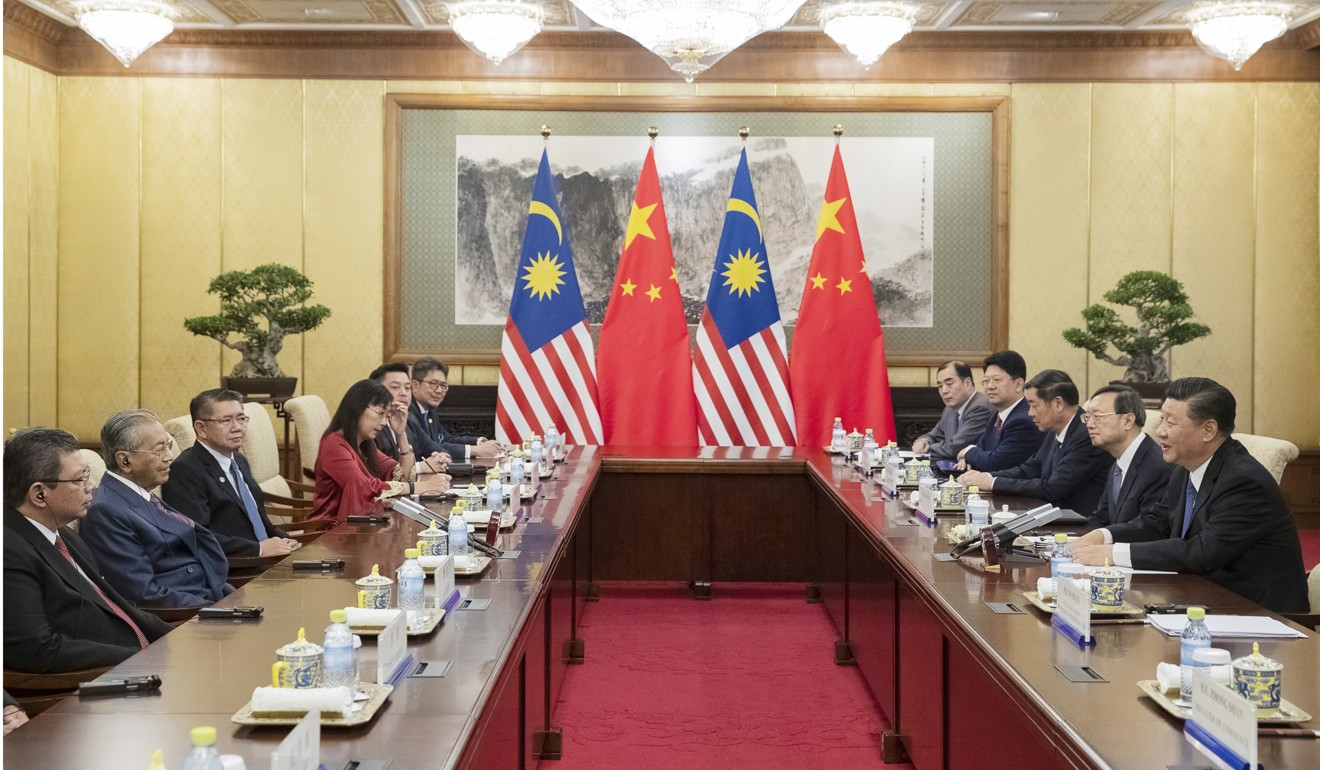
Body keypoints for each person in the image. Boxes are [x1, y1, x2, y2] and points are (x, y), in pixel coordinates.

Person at [1072, 377, 1307, 614]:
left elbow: (1202, 552)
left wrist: (1114, 554)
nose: (1159, 431)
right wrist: (1103, 536)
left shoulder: (1244, 482)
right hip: (1201, 598)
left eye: (1170, 422)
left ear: (1208, 430)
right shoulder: (1185, 468)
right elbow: (1156, 524)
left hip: (1257, 616)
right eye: (1161, 418)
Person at [4, 428, 171, 674]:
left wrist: (179, 639)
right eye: (80, 478)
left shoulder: (66, 536)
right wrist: (139, 659)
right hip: (99, 684)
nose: (92, 485)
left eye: (89, 475)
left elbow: (115, 605)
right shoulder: (9, 553)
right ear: (39, 494)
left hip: (139, 665)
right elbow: (37, 650)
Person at [80, 411, 233, 609]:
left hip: (212, 595)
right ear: (125, 461)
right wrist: (218, 611)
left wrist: (233, 599)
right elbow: (144, 594)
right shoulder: (105, 512)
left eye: (168, 446)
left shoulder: (142, 493)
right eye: (159, 450)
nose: (170, 457)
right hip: (185, 618)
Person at [161, 389, 300, 559]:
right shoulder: (185, 471)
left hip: (268, 557)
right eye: (226, 421)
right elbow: (196, 537)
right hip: (236, 568)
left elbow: (258, 519)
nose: (237, 428)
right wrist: (258, 549)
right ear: (201, 428)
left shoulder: (238, 460)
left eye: (241, 419)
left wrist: (284, 540)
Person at [958, 370, 1112, 515]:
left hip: (1078, 525)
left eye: (1034, 405)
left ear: (1058, 404)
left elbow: (1054, 488)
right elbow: (1030, 469)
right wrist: (984, 476)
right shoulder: (1054, 431)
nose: (1030, 412)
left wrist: (993, 483)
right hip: (1053, 517)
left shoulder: (1086, 435)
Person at [312, 379, 451, 523]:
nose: (384, 422)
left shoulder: (366, 444)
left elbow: (403, 475)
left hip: (363, 523)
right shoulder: (334, 444)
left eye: (387, 415)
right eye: (381, 413)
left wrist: (401, 434)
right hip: (330, 532)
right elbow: (363, 487)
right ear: (357, 407)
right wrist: (422, 486)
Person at [1082, 384, 1173, 527]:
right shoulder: (1118, 464)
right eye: (1087, 417)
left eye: (1097, 416)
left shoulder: (1158, 467)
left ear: (1128, 421)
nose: (1089, 424)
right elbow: (1101, 519)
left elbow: (1146, 531)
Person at [956, 350, 1043, 472]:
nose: (990, 386)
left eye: (997, 380)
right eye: (986, 381)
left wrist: (967, 452)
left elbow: (996, 463)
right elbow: (980, 448)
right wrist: (967, 458)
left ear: (1018, 385)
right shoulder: (996, 415)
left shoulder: (1025, 419)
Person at [409, 357, 504, 459]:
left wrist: (478, 442)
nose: (439, 390)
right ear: (415, 386)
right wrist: (475, 450)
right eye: (434, 384)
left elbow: (445, 439)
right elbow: (429, 448)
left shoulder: (430, 410)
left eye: (443, 385)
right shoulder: (408, 414)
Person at [369, 362, 449, 472]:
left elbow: (432, 446)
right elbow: (377, 469)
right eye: (395, 387)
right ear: (377, 391)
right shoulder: (371, 425)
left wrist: (441, 457)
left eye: (407, 388)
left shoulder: (409, 420)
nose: (403, 393)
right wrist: (420, 467)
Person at [911, 361, 993, 461]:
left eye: (949, 384)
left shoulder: (980, 407)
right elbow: (935, 435)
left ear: (967, 383)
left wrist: (927, 448)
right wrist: (923, 441)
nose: (944, 391)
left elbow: (955, 448)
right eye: (940, 386)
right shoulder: (950, 409)